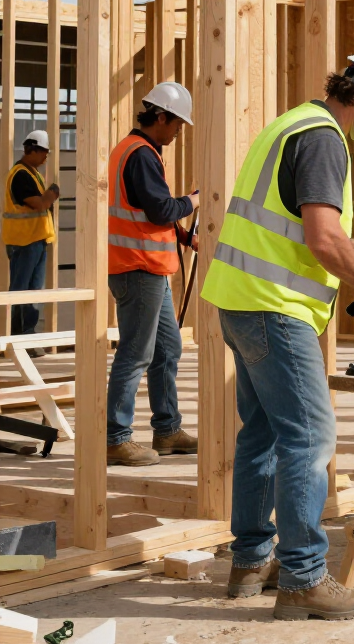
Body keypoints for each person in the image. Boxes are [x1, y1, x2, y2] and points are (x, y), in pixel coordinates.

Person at [202, 43, 354, 621]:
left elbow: (302, 231)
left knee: (263, 436)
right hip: (277, 311)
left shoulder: (292, 123)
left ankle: (251, 560)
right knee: (310, 439)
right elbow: (323, 240)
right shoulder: (326, 139)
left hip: (240, 302)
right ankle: (303, 578)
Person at [107, 81, 199, 468]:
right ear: (159, 116)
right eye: (176, 124)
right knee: (135, 352)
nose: (178, 132)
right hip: (137, 268)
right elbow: (161, 209)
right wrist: (193, 201)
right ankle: (115, 438)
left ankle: (167, 430)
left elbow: (148, 212)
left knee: (167, 350)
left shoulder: (139, 151)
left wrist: (180, 234)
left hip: (150, 268)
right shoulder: (140, 154)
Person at [2, 130, 60, 346]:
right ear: (32, 150)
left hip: (36, 240)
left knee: (34, 292)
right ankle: (17, 340)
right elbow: (39, 204)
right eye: (44, 152)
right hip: (23, 242)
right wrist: (52, 193)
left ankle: (27, 337)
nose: (46, 157)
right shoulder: (20, 175)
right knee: (20, 292)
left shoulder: (33, 172)